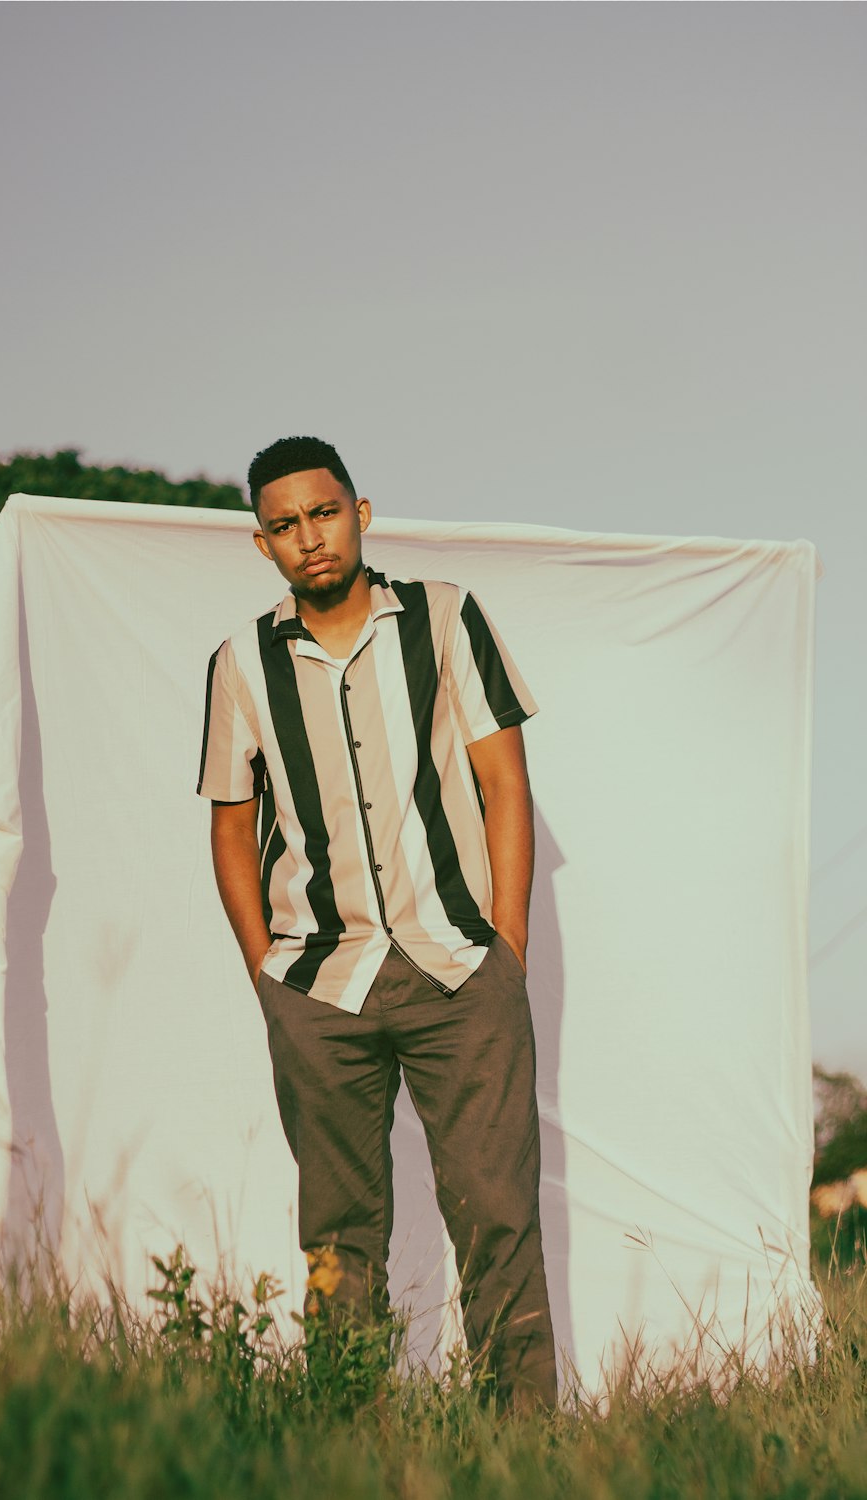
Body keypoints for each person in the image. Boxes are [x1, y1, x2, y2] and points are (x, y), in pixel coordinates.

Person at [197, 435, 556, 1410]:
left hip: (456, 967)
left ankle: (525, 1450)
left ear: (360, 512)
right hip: (318, 985)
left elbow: (503, 785)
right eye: (284, 524)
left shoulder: (443, 618)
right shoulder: (239, 665)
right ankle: (345, 1442)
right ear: (261, 542)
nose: (308, 538)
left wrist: (507, 946)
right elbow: (233, 830)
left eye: (322, 513)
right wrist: (263, 971)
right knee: (337, 1234)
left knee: (497, 1217)